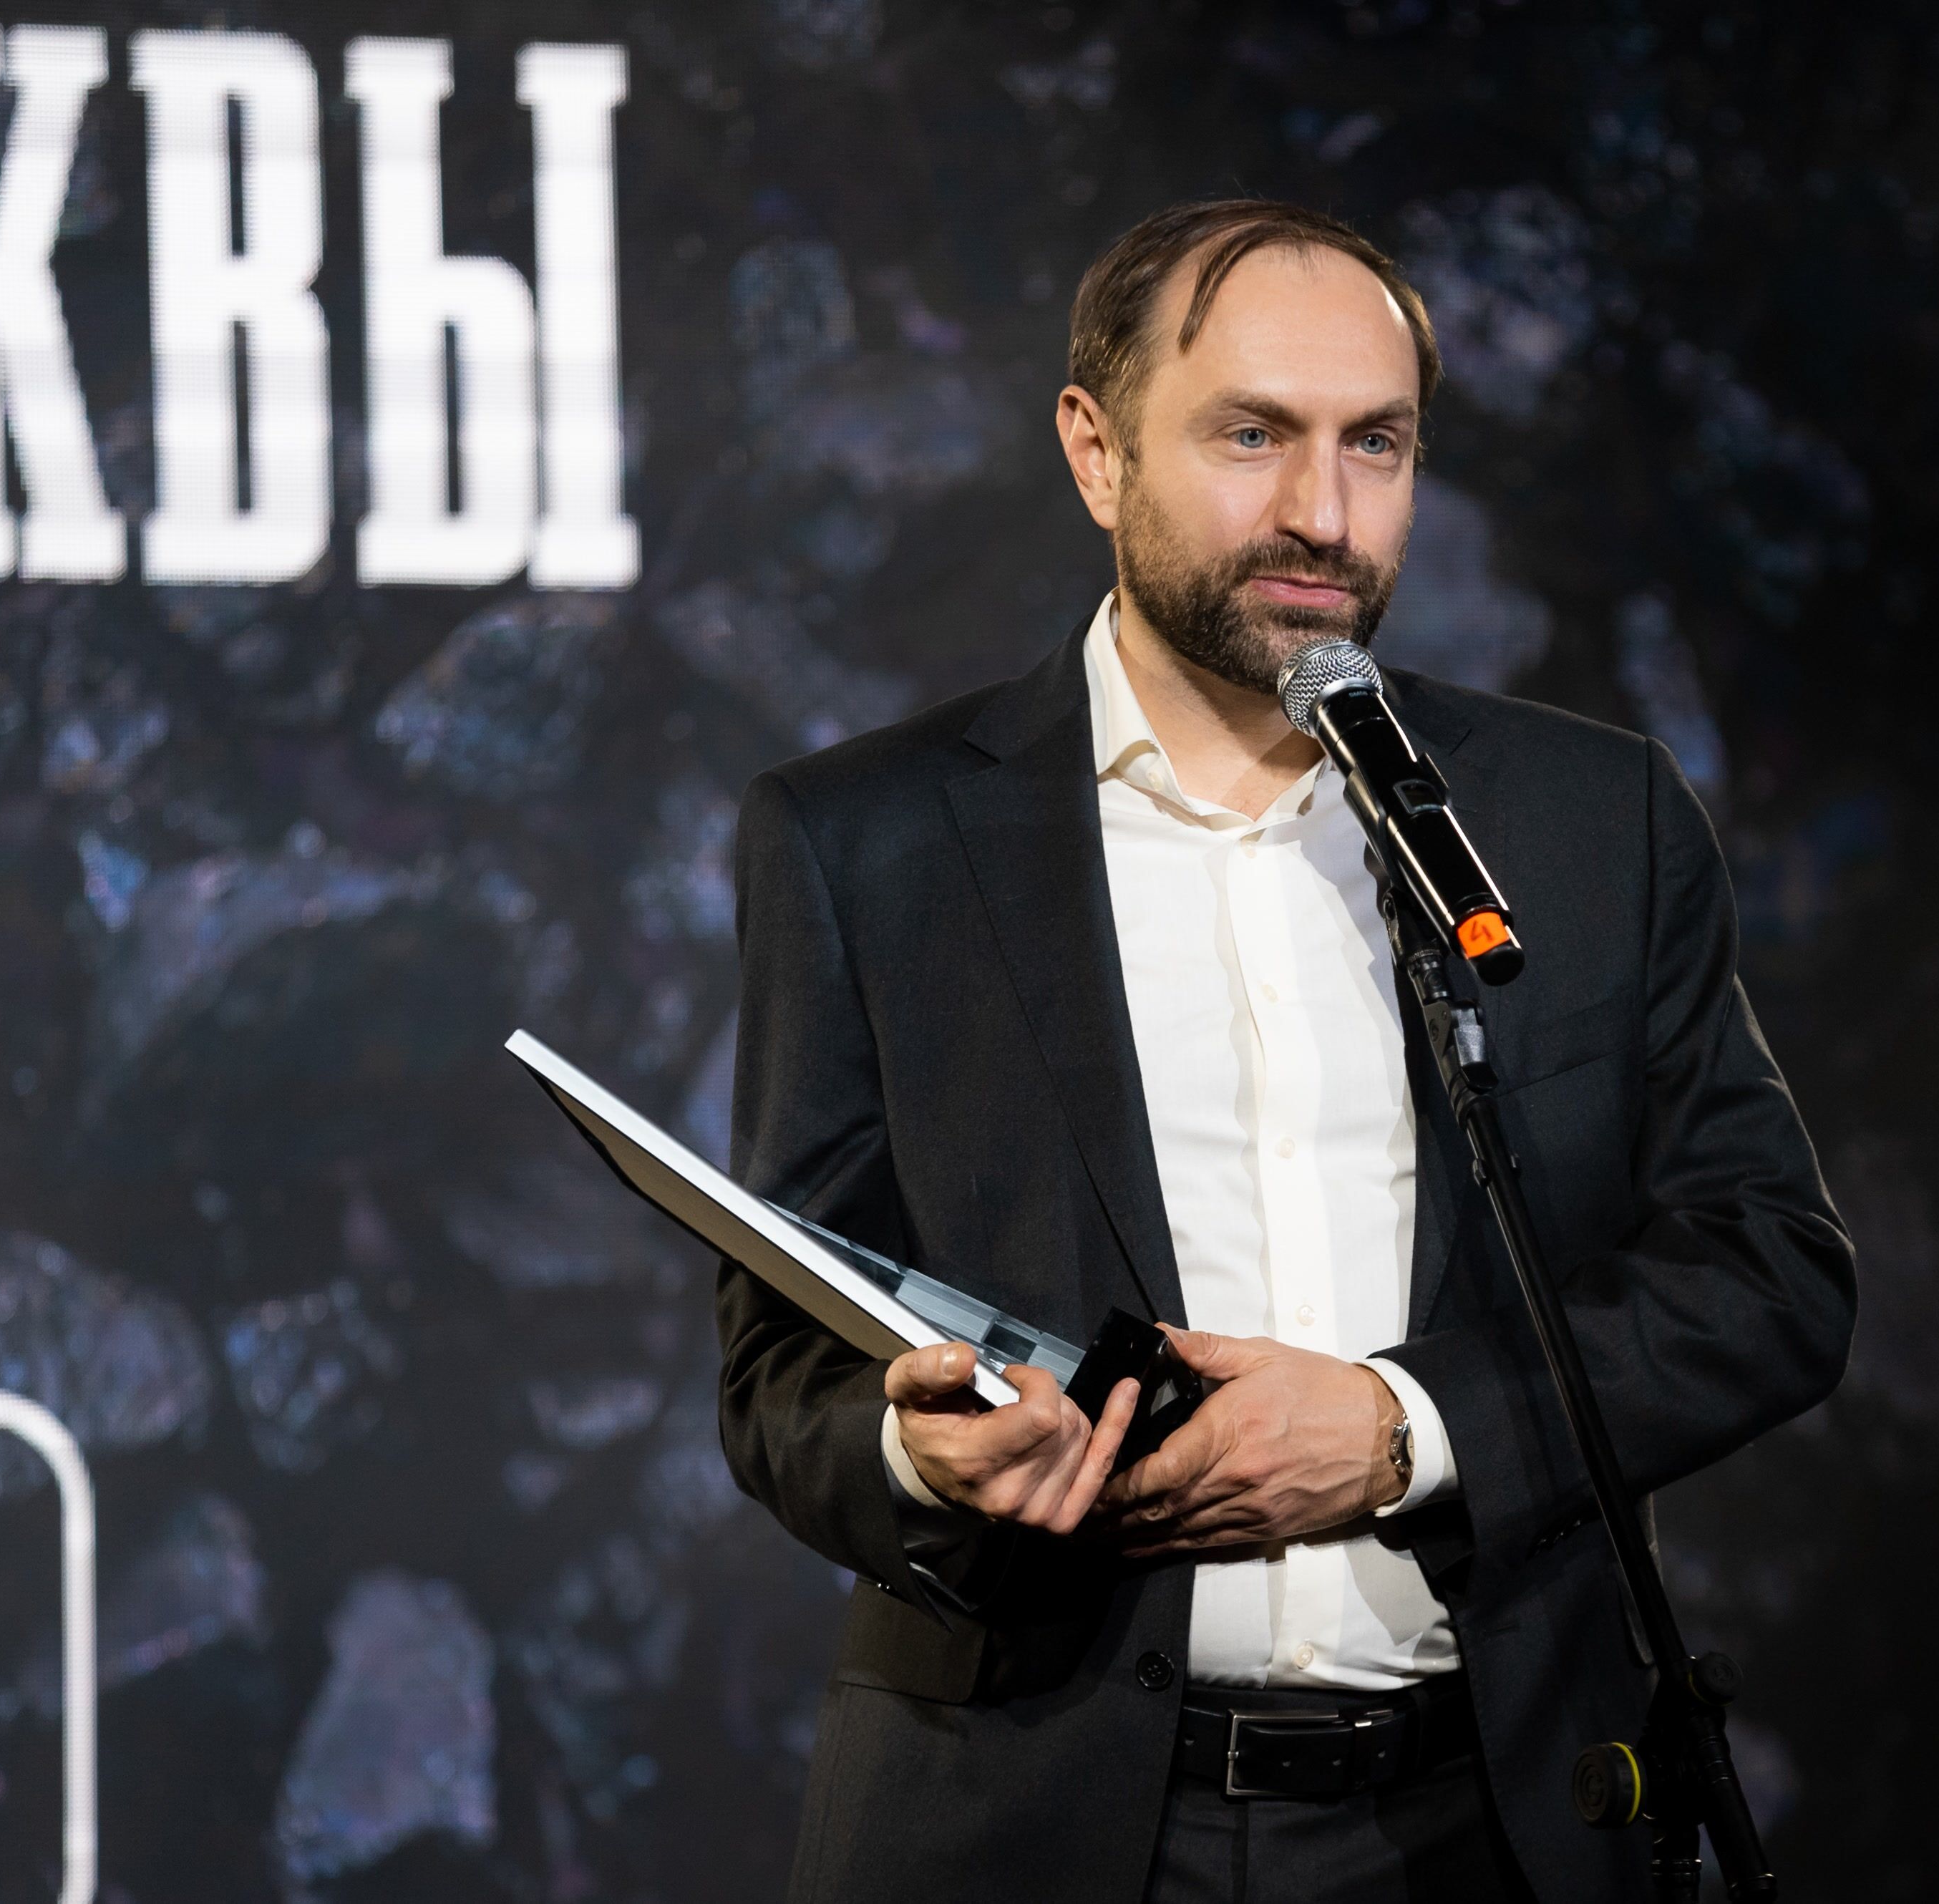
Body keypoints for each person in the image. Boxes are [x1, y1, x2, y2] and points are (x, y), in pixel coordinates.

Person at [716, 198, 1855, 1904]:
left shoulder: (1580, 819)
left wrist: (1406, 1425)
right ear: (1094, 451)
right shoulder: (865, 842)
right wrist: (915, 1453)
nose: (1321, 511)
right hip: (1033, 1827)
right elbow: (775, 1378)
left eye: (1373, 443)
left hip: (1494, 1825)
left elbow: (1768, 1273)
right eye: (1250, 435)